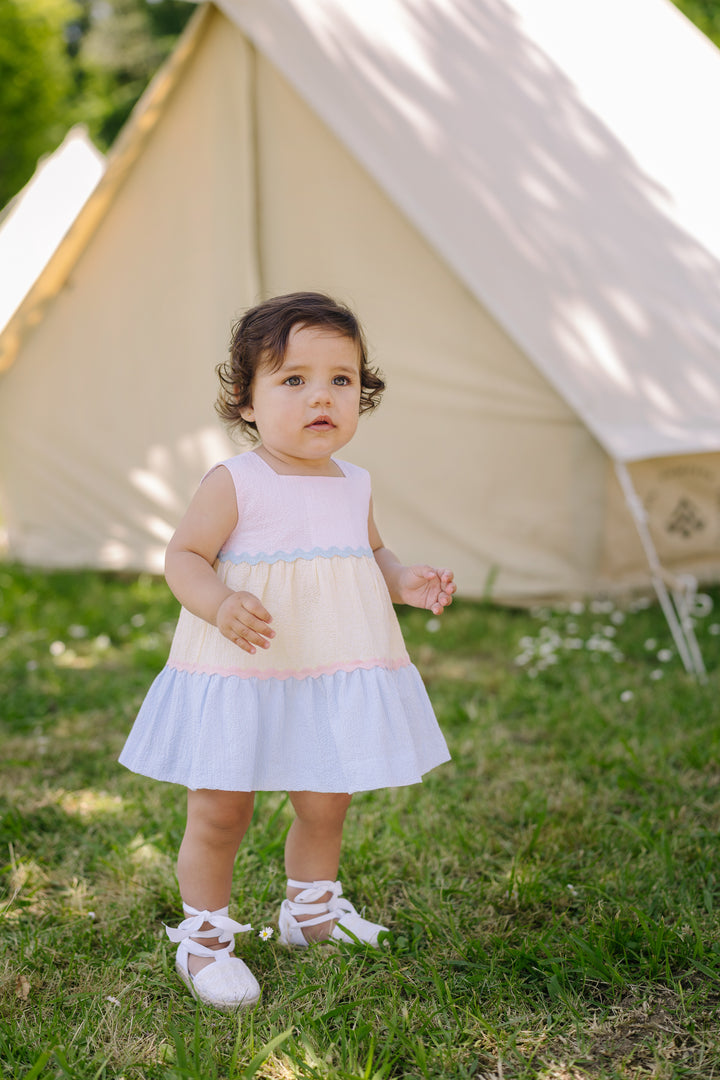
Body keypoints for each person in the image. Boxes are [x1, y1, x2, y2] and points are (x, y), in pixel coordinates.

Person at [119, 292, 455, 1010]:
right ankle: (205, 941)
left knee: (325, 797)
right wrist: (219, 602)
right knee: (221, 810)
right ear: (246, 401)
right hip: (245, 670)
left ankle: (310, 914)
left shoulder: (354, 484)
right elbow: (184, 556)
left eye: (341, 379)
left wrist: (404, 579)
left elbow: (368, 554)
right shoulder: (236, 482)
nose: (321, 397)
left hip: (324, 671)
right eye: (293, 380)